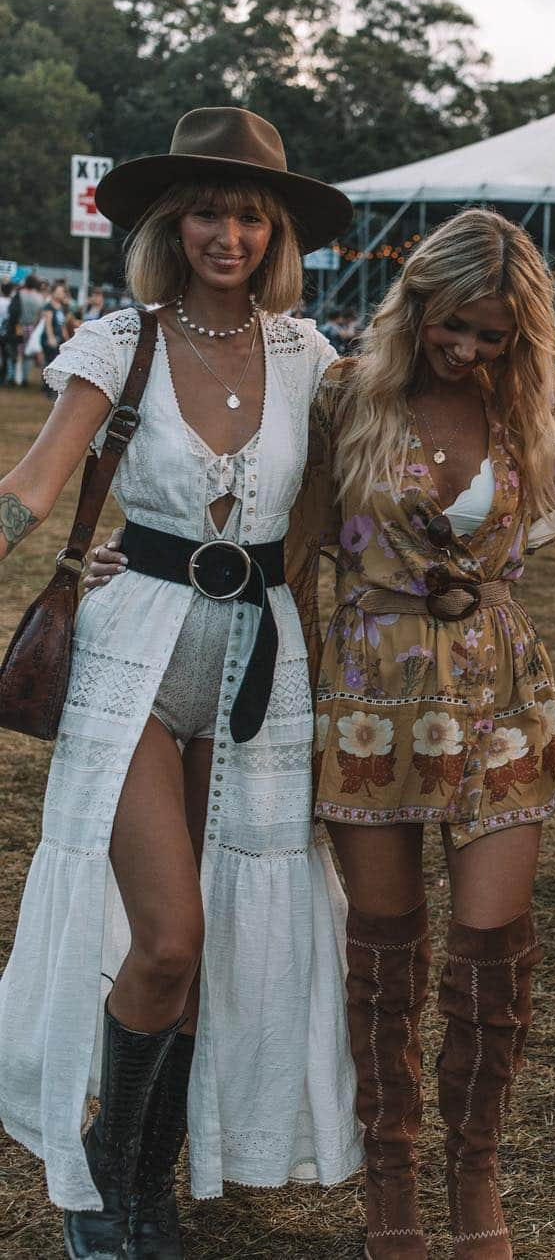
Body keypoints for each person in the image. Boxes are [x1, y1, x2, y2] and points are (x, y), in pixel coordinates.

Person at [282, 207, 555, 1259]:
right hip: (369, 696)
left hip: (503, 706)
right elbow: (289, 541)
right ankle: (392, 1182)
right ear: (415, 307)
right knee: (384, 955)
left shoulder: (536, 417)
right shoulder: (343, 395)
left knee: (490, 955)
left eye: (491, 335)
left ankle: (475, 1175)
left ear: (521, 338)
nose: (465, 350)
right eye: (450, 326)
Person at [0, 107, 362, 1260]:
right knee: (166, 937)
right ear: (173, 220)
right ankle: (101, 1183)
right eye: (209, 209)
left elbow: (388, 479)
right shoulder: (121, 341)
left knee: (219, 941)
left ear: (276, 233)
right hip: (136, 654)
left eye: (252, 214)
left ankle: (151, 1184)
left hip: (261, 660)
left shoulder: (311, 357)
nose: (230, 231)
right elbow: (37, 483)